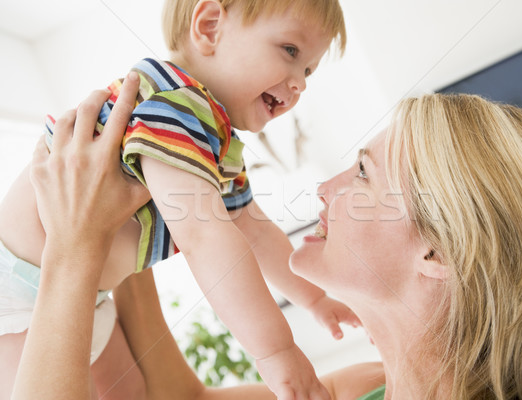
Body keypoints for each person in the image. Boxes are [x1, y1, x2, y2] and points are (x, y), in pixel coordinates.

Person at [14, 89, 522, 399]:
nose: (325, 188)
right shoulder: (357, 389)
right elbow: (174, 399)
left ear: (440, 253)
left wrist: (73, 247)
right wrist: (140, 177)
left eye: (364, 174)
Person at [0, 0, 359, 398]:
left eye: (308, 69)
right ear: (208, 27)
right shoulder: (175, 105)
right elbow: (204, 238)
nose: (300, 83)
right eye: (290, 51)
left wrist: (314, 299)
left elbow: (254, 230)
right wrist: (277, 351)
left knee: (132, 394)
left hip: (83, 293)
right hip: (15, 294)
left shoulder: (217, 142)